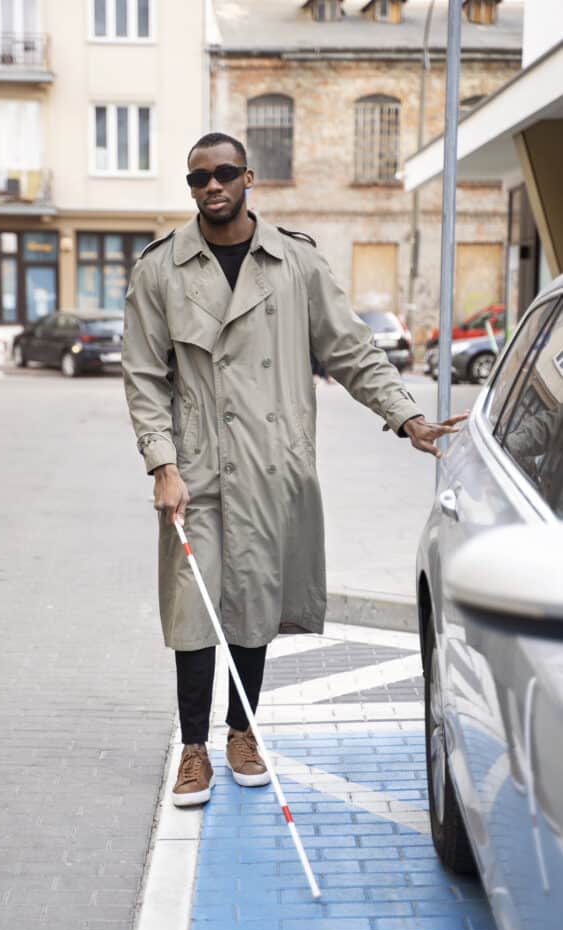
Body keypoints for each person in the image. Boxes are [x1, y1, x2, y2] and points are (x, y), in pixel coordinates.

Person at [122, 132, 466, 807]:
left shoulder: (295, 263)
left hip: (271, 467)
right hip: (195, 468)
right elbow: (142, 378)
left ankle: (241, 733)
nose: (211, 187)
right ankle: (193, 749)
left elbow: (350, 350)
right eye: (198, 179)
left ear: (248, 177)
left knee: (254, 608)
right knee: (194, 612)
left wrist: (407, 418)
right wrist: (161, 463)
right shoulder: (159, 270)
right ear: (189, 188)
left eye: (223, 173)